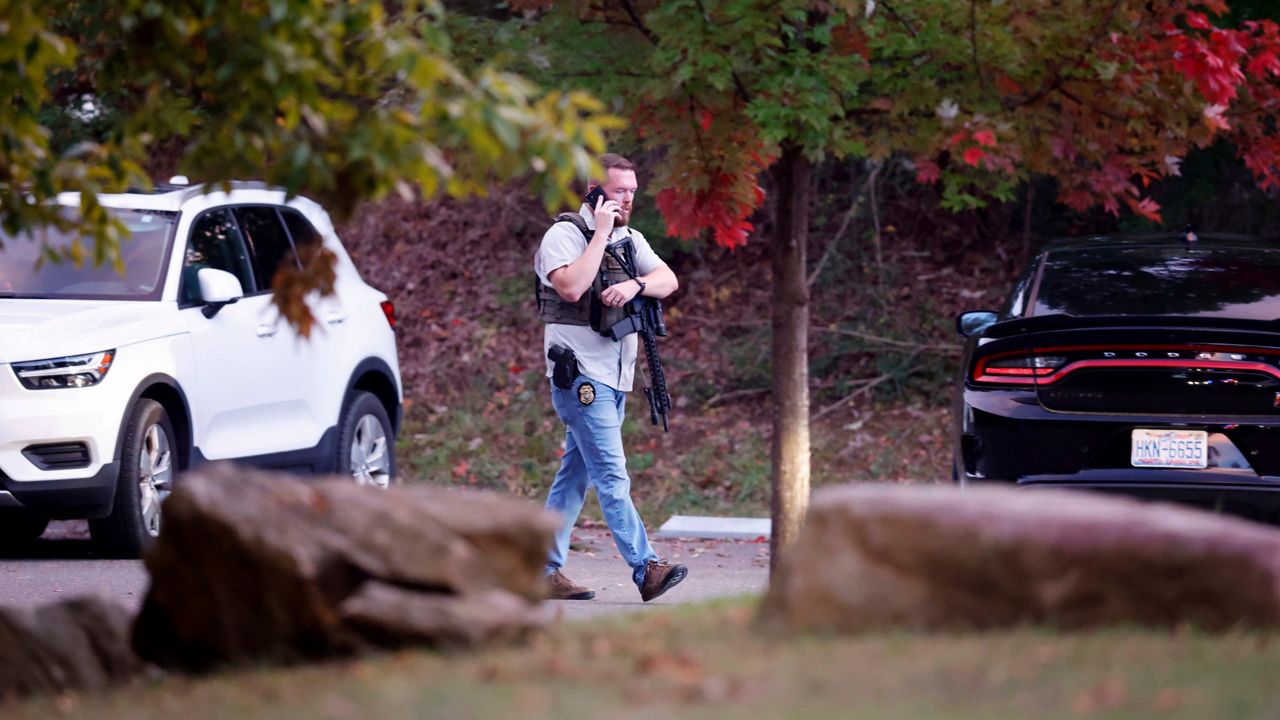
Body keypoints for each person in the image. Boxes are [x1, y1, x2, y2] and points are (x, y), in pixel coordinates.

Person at [533, 153, 687, 602]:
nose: (628, 199)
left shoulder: (629, 239)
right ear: (595, 192)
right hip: (580, 375)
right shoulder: (563, 236)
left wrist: (636, 285)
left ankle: (542, 569)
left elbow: (668, 279)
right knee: (612, 475)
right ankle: (646, 568)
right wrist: (599, 232)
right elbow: (572, 287)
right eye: (620, 191)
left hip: (616, 377)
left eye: (633, 192)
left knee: (574, 477)